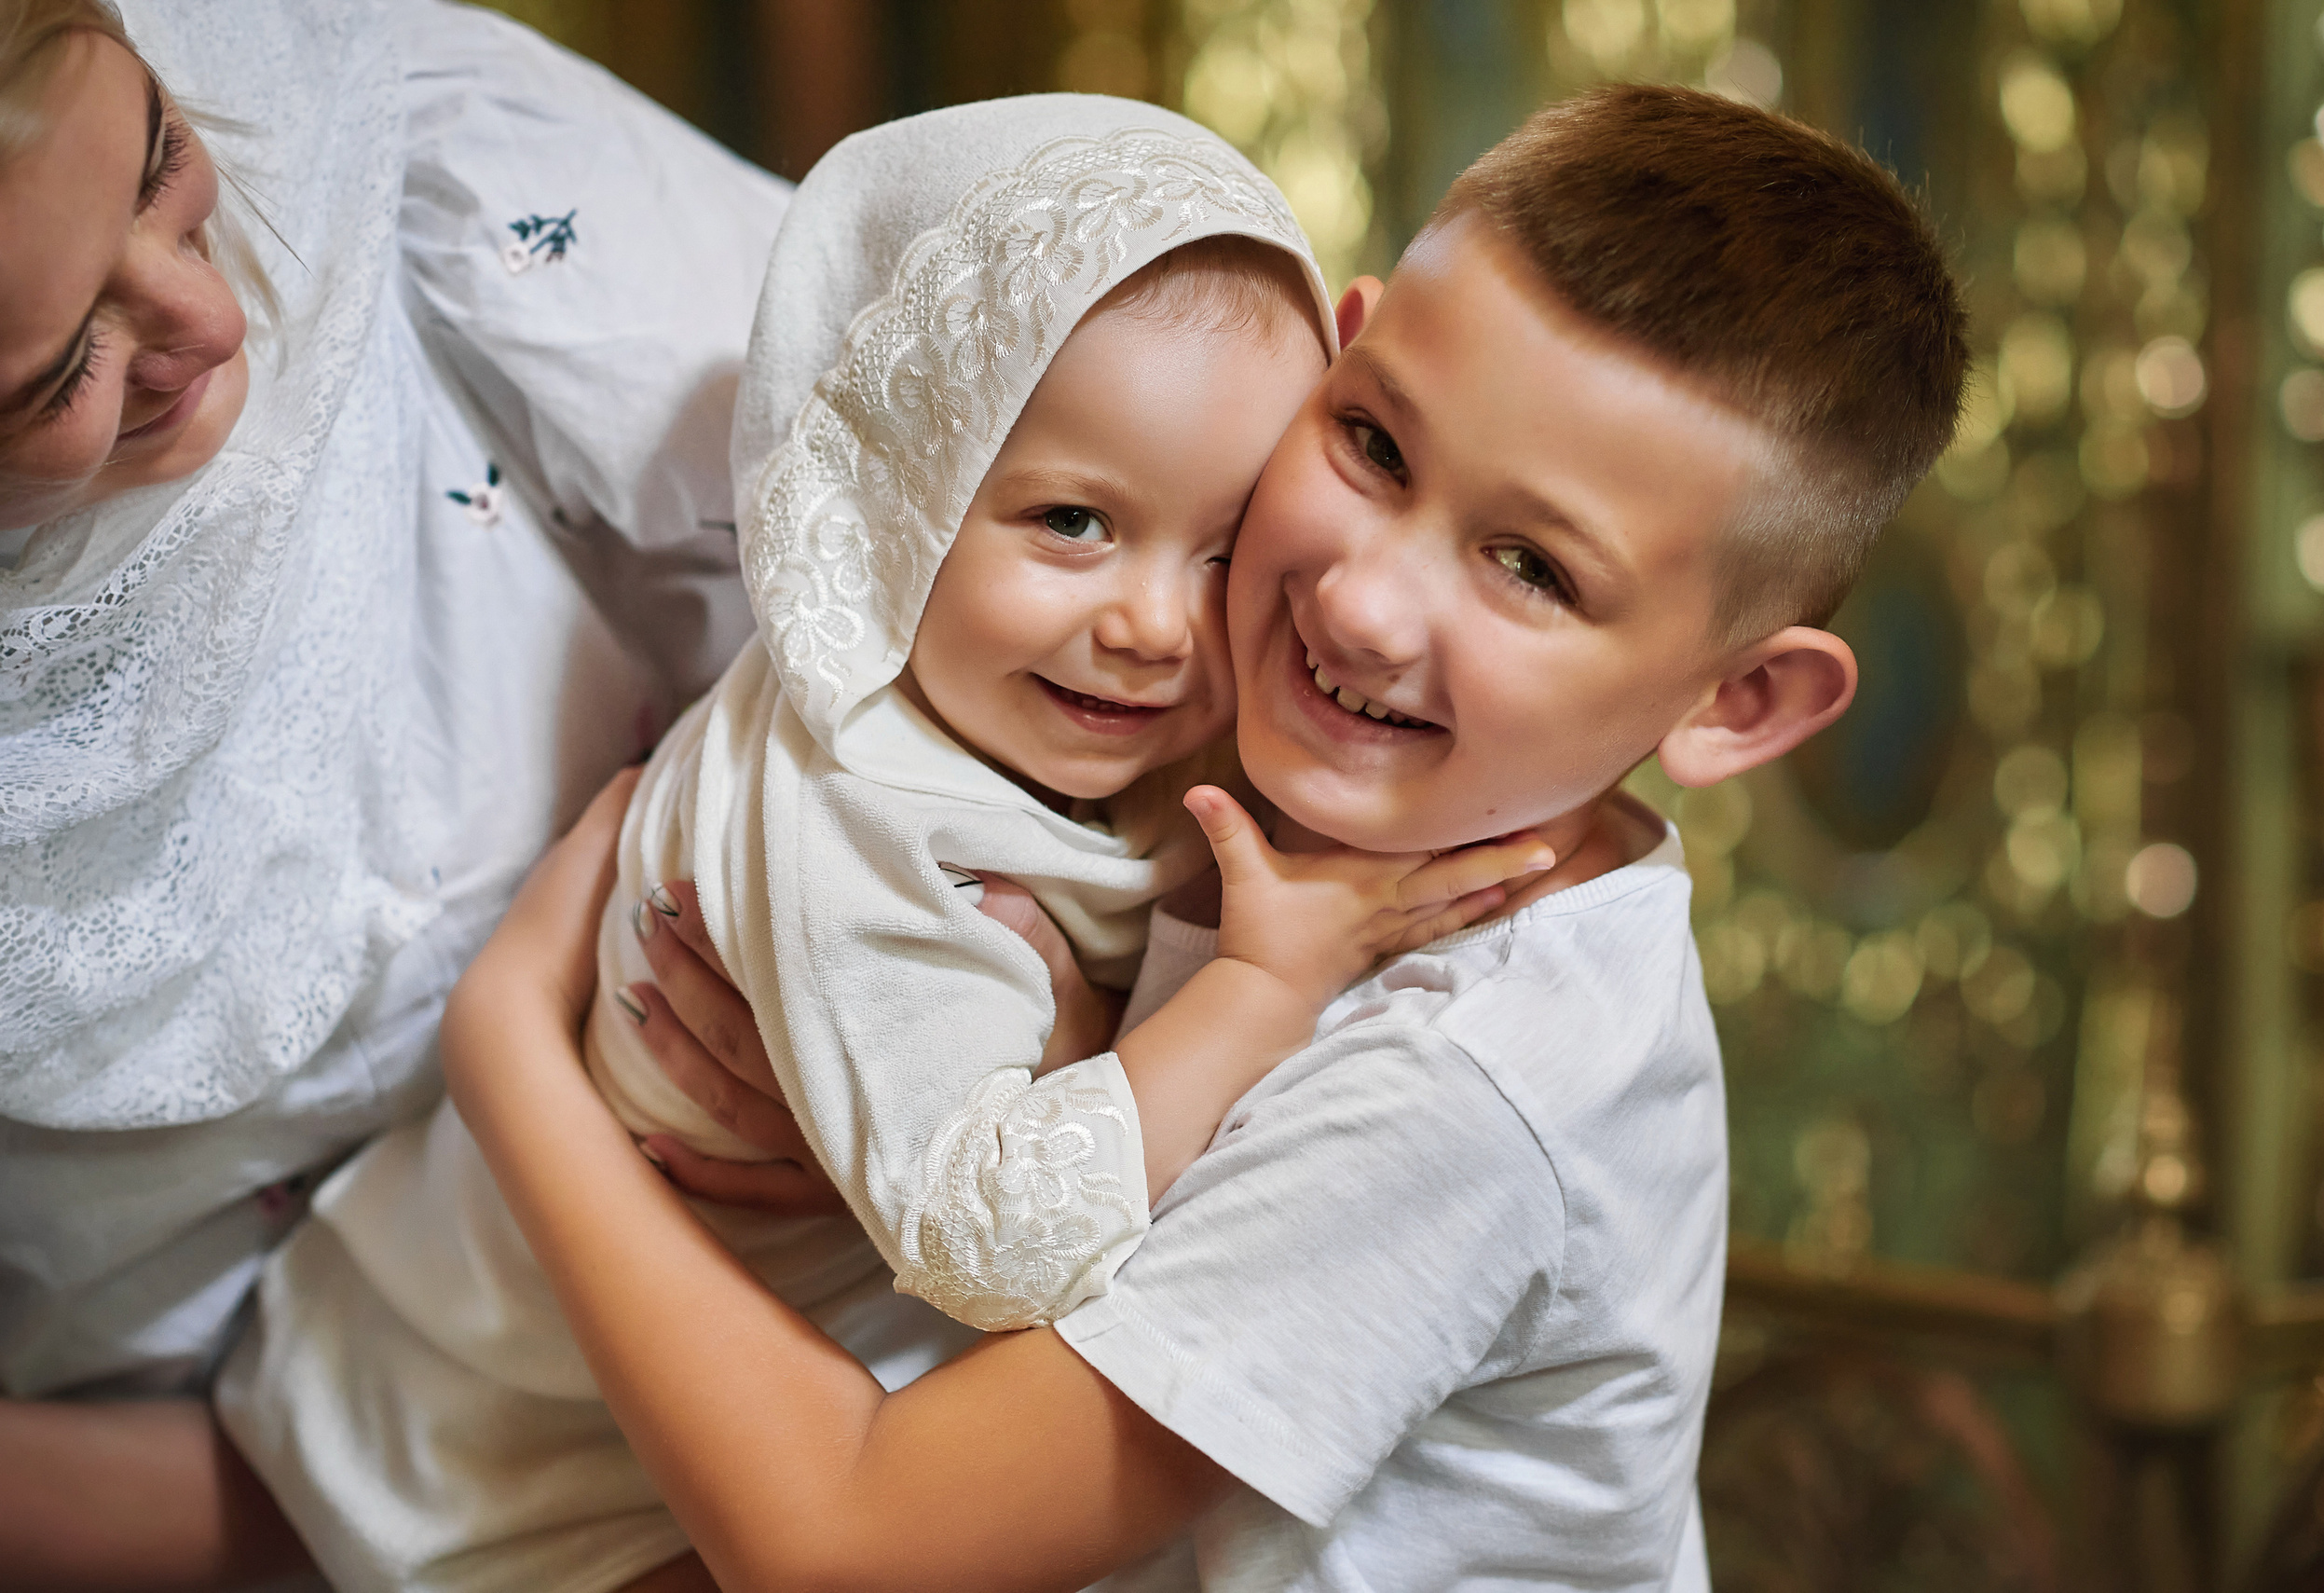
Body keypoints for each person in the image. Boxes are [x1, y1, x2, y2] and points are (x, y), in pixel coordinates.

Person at [434, 84, 1969, 1590]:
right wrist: (930, 1123)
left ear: (1739, 702)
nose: (1360, 602)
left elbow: (846, 1545)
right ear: (1334, 354)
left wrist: (508, 1055)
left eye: (1532, 568)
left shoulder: (1461, 1088)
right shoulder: (1272, 741)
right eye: (1374, 445)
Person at [192, 96, 1550, 1593]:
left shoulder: (1058, 699)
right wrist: (1257, 994)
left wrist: (1091, 1025)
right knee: (261, 1513)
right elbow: (994, 1246)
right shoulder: (858, 820)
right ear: (898, 494)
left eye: (1225, 547)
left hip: (697, 1342)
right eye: (1073, 522)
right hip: (545, 1398)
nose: (1156, 624)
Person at [0, 0, 789, 1575]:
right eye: (61, 367)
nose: (210, 317)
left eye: (161, 160)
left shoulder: (421, 151)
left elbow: (981, 534)